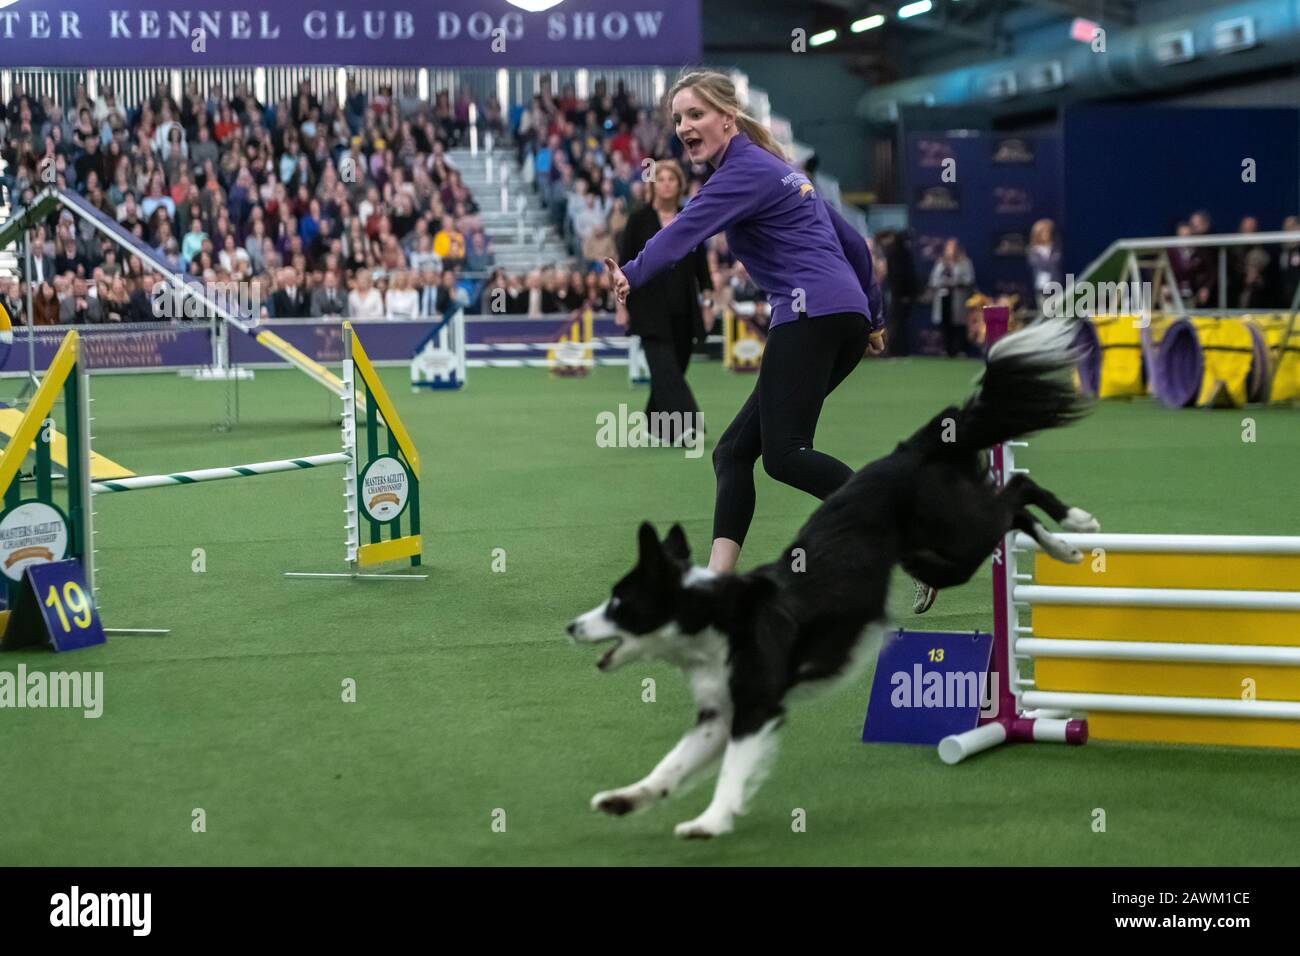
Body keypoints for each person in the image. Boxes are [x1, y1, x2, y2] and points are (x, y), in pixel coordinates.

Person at [604, 70, 885, 579]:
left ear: (728, 120)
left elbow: (684, 230)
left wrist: (631, 272)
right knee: (733, 452)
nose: (684, 126)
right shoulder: (780, 168)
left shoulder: (742, 172)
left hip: (808, 317)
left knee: (784, 455)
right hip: (840, 317)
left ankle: (895, 525)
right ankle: (717, 581)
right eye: (677, 119)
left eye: (696, 114)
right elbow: (855, 245)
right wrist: (873, 316)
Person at [616, 158, 711, 446]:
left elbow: (701, 267)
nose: (667, 183)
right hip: (647, 308)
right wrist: (620, 306)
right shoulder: (638, 220)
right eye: (662, 179)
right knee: (665, 367)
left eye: (672, 179)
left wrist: (707, 303)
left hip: (684, 308)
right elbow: (623, 265)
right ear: (654, 184)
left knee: (673, 368)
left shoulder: (690, 217)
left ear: (679, 184)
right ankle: (689, 423)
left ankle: (654, 426)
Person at [928, 239, 974, 357]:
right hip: (943, 298)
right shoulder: (940, 263)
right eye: (948, 248)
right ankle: (947, 349)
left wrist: (955, 282)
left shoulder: (965, 262)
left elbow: (969, 279)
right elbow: (933, 280)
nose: (950, 251)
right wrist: (942, 283)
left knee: (958, 324)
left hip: (958, 297)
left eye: (953, 248)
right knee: (945, 324)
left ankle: (959, 350)